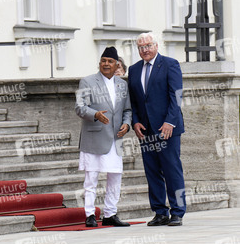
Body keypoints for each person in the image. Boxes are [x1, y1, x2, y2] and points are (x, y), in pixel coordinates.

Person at [127, 32, 186, 226]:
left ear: (156, 45)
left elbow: (176, 96)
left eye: (148, 46)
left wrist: (170, 122)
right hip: (145, 130)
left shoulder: (170, 64)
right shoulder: (134, 70)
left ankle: (177, 211)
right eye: (141, 47)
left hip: (166, 128)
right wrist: (135, 121)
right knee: (152, 171)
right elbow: (134, 101)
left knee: (171, 170)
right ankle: (160, 212)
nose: (144, 50)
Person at [75, 46, 132, 227]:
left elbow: (128, 110)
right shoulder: (87, 82)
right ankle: (90, 214)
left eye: (110, 62)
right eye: (103, 61)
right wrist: (95, 114)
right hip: (94, 137)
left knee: (115, 177)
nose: (106, 64)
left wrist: (127, 124)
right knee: (91, 179)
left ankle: (110, 213)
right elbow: (80, 107)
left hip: (116, 139)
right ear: (99, 63)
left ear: (117, 65)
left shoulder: (122, 84)